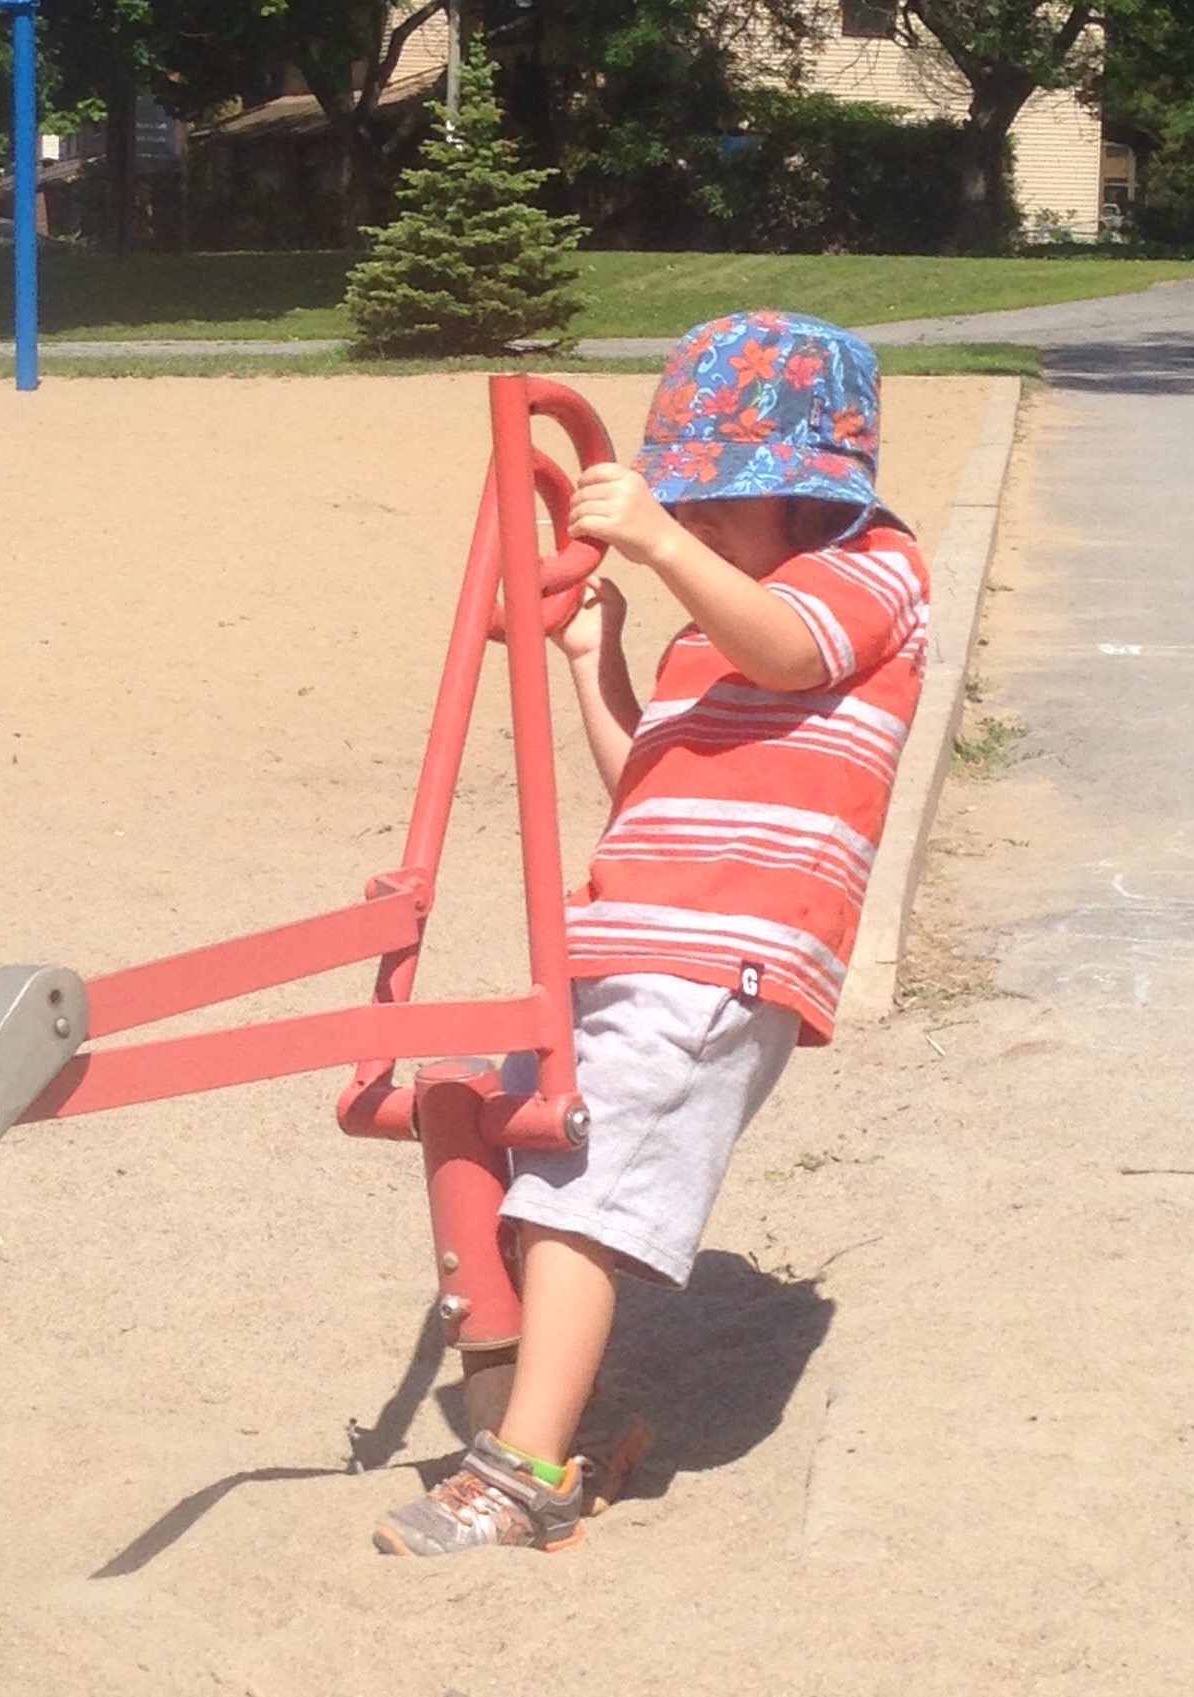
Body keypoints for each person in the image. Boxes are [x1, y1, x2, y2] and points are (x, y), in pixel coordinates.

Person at [373, 311, 931, 1557]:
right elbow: (650, 778)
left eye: (722, 496)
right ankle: (557, 1417)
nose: (696, 516)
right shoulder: (710, 621)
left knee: (582, 1186)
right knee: (509, 1145)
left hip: (728, 949)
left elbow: (789, 652)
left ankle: (521, 1475)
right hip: (626, 936)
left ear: (810, 492)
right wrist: (597, 657)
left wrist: (666, 545)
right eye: (689, 497)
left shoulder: (870, 567)